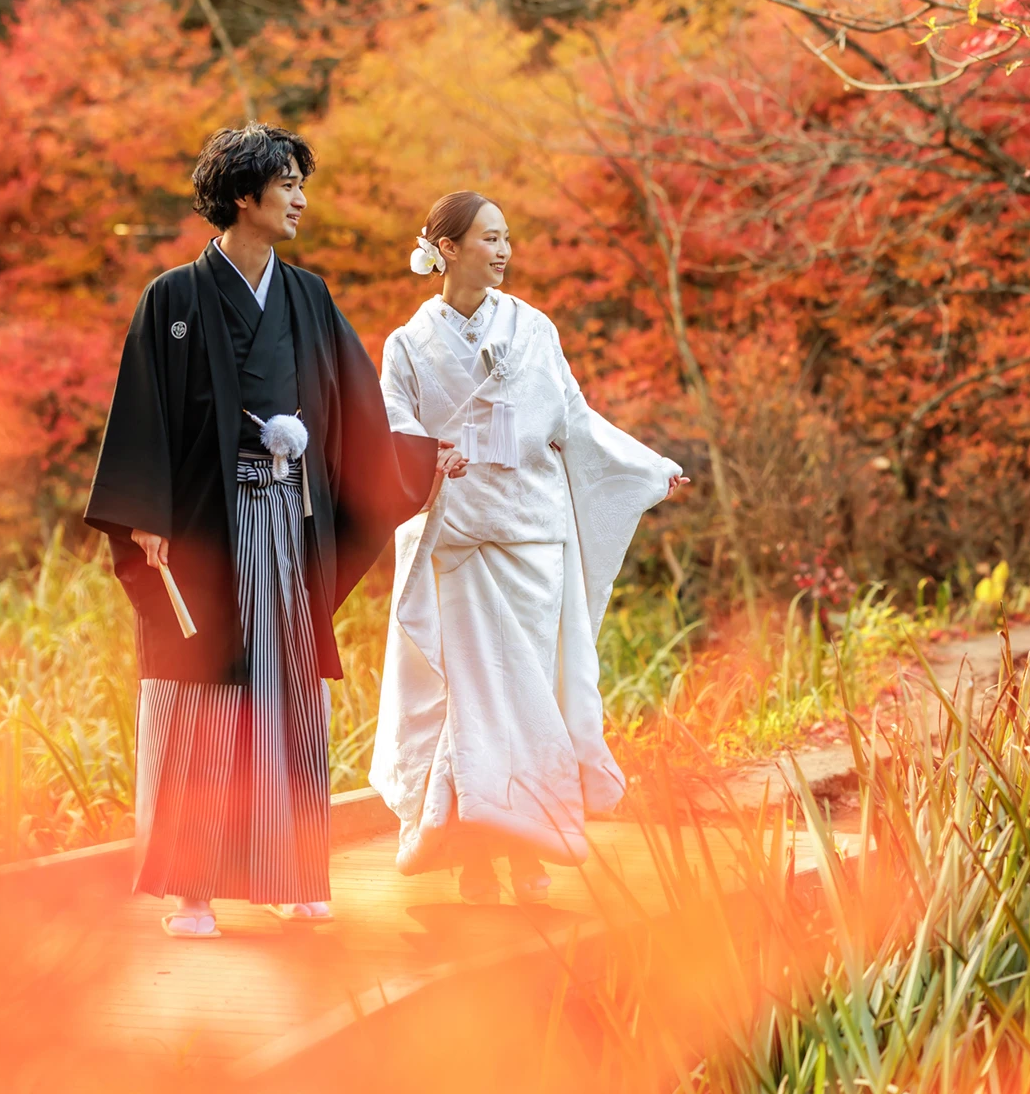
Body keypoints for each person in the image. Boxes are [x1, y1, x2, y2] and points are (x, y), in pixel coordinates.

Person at [84, 124, 401, 938]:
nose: (300, 199)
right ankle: (192, 888)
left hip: (288, 521)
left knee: (288, 691)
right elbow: (143, 413)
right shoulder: (174, 299)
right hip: (202, 529)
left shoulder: (309, 296)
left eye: (301, 183)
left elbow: (358, 408)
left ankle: (295, 872)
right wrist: (145, 516)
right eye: (287, 184)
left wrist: (417, 464)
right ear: (241, 197)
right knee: (202, 699)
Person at [369, 191, 690, 903]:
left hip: (529, 537)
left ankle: (531, 841)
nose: (505, 250)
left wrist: (646, 469)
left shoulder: (535, 330)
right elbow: (391, 426)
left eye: (507, 237)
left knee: (528, 693)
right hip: (456, 536)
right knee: (468, 695)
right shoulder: (407, 345)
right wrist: (428, 458)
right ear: (446, 248)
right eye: (489, 238)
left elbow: (574, 420)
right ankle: (476, 852)